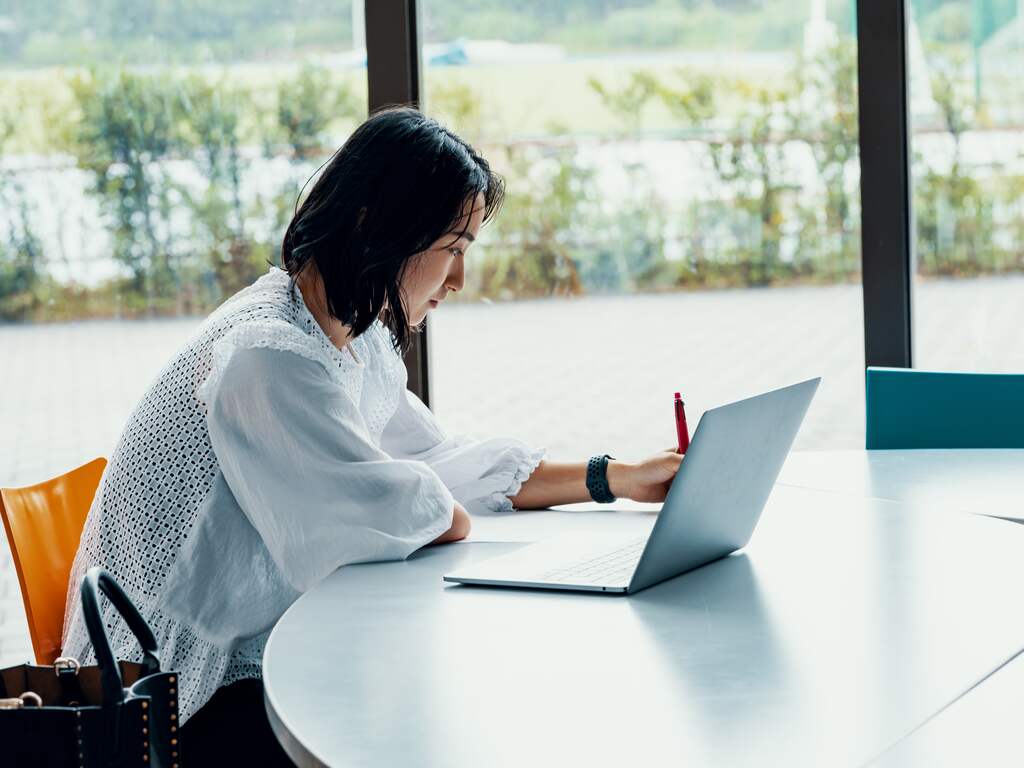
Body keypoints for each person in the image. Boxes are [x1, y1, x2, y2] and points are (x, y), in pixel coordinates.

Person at [61, 107, 683, 765]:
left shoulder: (351, 334)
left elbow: (440, 465)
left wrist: (617, 477)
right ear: (377, 226)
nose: (459, 280)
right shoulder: (268, 359)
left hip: (250, 652)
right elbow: (400, 514)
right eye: (453, 249)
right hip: (182, 700)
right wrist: (436, 505)